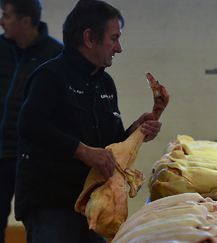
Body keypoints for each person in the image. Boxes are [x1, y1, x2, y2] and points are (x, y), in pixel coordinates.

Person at [14, 0, 162, 242]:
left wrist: (136, 131)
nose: (119, 48)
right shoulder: (49, 77)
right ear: (89, 38)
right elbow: (30, 126)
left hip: (93, 204)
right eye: (114, 38)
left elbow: (110, 145)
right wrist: (83, 151)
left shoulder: (105, 84)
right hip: (52, 208)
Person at [0, 0, 63, 242]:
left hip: (34, 160)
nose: (1, 20)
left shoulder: (55, 56)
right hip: (1, 152)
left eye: (6, 15)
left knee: (38, 223)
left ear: (25, 21)